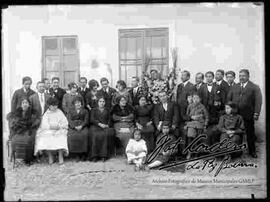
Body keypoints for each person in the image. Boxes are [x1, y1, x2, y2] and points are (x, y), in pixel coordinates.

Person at [227, 69, 262, 158]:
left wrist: (256, 113)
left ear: (248, 76)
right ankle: (236, 152)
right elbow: (229, 99)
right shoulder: (234, 87)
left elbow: (258, 101)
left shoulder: (254, 87)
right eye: (240, 76)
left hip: (248, 115)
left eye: (243, 76)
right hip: (236, 115)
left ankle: (252, 151)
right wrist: (230, 110)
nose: (241, 77)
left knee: (250, 134)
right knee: (236, 134)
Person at [34, 97, 69, 164]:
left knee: (61, 136)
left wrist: (59, 126)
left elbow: (65, 122)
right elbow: (44, 124)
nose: (55, 107)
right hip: (49, 129)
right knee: (47, 136)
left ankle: (60, 155)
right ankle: (50, 156)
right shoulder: (46, 114)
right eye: (53, 105)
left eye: (56, 105)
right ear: (49, 106)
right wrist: (51, 127)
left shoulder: (59, 112)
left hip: (59, 129)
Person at [7, 97, 41, 165]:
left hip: (29, 130)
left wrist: (29, 124)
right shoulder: (17, 112)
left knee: (27, 140)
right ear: (21, 104)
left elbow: (36, 121)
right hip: (19, 131)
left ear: (29, 104)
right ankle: (17, 158)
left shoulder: (33, 112)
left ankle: (27, 159)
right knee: (15, 140)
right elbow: (11, 120)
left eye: (26, 103)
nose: (25, 104)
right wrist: (18, 124)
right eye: (23, 103)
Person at [200, 71, 223, 146]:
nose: (208, 78)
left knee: (213, 129)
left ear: (213, 78)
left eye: (210, 76)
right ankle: (204, 147)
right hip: (205, 110)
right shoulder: (202, 87)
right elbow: (199, 98)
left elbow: (220, 99)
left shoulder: (217, 87)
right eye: (207, 76)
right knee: (205, 128)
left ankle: (214, 146)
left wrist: (217, 104)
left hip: (214, 111)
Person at [89, 96, 115, 162]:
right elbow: (92, 119)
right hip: (96, 126)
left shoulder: (107, 110)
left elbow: (110, 119)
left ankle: (104, 155)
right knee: (95, 135)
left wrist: (107, 125)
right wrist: (99, 124)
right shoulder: (93, 110)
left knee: (105, 135)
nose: (102, 103)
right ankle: (94, 156)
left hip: (105, 126)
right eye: (100, 101)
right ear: (97, 102)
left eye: (103, 101)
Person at [184, 93, 209, 159]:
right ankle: (189, 152)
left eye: (197, 98)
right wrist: (191, 117)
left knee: (197, 138)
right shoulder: (190, 106)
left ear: (200, 99)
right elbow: (187, 116)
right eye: (194, 98)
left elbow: (206, 117)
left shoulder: (202, 107)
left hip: (199, 123)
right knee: (190, 136)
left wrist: (205, 125)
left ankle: (196, 154)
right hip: (191, 123)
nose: (195, 100)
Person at [67, 96, 89, 160]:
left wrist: (82, 126)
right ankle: (76, 154)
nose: (78, 104)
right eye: (76, 103)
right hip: (73, 127)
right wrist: (74, 126)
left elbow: (86, 120)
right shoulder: (70, 111)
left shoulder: (85, 111)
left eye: (79, 102)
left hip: (83, 126)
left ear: (81, 103)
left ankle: (83, 154)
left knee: (84, 134)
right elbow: (69, 120)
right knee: (72, 136)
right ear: (74, 104)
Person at [176, 70, 196, 136]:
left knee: (186, 129)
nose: (182, 77)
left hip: (186, 109)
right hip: (179, 109)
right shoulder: (179, 86)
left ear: (188, 77)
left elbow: (192, 100)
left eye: (184, 75)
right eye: (181, 75)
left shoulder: (191, 86)